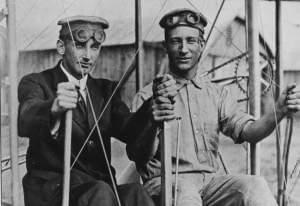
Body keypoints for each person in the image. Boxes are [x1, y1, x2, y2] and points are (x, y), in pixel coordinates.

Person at [126, 8, 300, 206]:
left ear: (201, 45)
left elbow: (249, 132)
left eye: (191, 41)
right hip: (166, 183)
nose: (183, 49)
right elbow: (137, 155)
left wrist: (279, 111)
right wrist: (153, 122)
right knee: (186, 197)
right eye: (176, 41)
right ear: (166, 46)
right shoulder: (147, 97)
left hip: (210, 183)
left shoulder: (216, 94)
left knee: (254, 185)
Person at [18, 15, 161, 206]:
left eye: (94, 47)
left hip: (98, 191)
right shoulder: (37, 82)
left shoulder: (105, 90)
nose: (87, 56)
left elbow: (130, 129)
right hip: (54, 191)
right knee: (100, 192)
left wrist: (152, 106)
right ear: (61, 47)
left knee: (135, 193)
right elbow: (26, 117)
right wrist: (53, 108)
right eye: (79, 46)